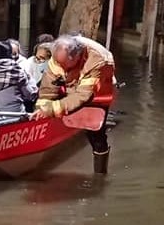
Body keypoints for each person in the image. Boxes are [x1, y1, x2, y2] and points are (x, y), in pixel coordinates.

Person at [31, 34, 115, 173]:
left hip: (97, 90)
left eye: (65, 66)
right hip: (73, 82)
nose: (61, 68)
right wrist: (42, 109)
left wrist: (52, 109)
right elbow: (48, 89)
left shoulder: (97, 60)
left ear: (76, 57)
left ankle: (100, 173)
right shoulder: (58, 57)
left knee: (95, 132)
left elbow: (83, 95)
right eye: (60, 64)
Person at [0, 40, 38, 113]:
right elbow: (30, 95)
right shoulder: (16, 70)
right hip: (13, 116)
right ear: (9, 54)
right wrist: (30, 80)